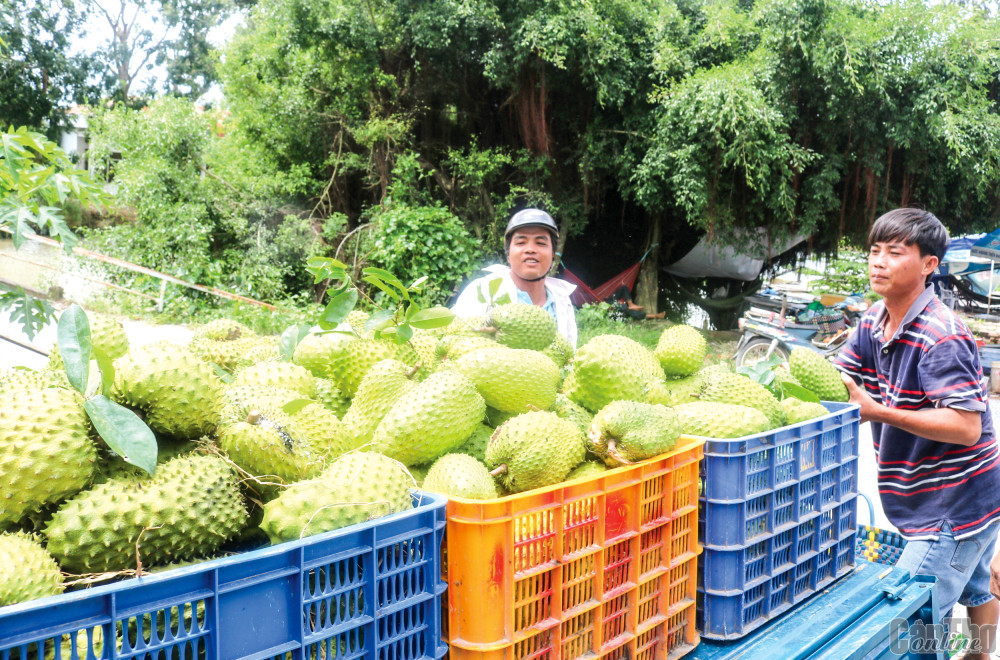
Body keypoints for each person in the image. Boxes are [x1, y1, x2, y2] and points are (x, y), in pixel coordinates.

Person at [835, 208, 1000, 659]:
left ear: (929, 264)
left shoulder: (941, 334)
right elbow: (839, 379)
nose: (878, 262)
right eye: (874, 251)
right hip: (961, 495)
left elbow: (966, 427)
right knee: (976, 584)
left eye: (894, 252)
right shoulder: (873, 320)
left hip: (954, 503)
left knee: (912, 619)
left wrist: (880, 412)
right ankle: (981, 654)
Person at [452, 208, 578, 347]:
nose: (530, 249)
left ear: (553, 253)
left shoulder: (562, 300)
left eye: (541, 243)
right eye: (521, 243)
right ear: (508, 254)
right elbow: (454, 343)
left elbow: (569, 354)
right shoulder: (481, 291)